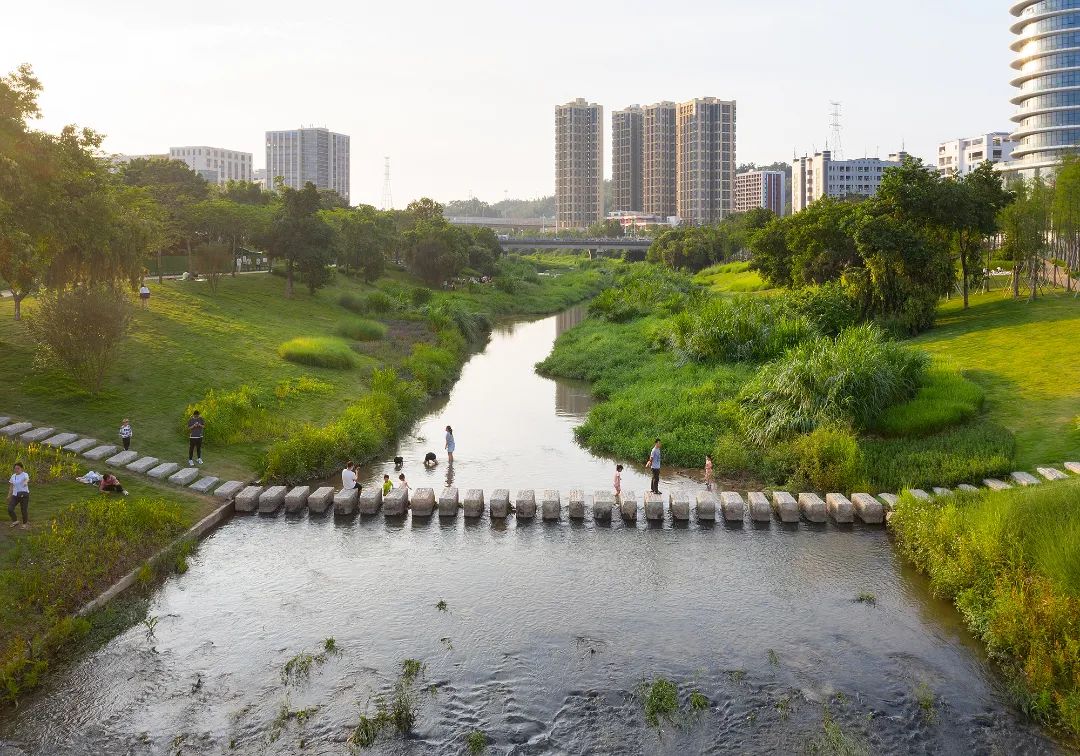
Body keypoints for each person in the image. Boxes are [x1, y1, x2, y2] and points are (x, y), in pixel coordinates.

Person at [7, 462, 29, 530]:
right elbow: (11, 486)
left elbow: (27, 479)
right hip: (15, 495)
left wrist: (25, 482)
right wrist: (9, 495)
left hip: (24, 494)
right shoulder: (13, 476)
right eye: (15, 468)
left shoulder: (24, 474)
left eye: (18, 468)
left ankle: (24, 524)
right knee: (10, 509)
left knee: (23, 510)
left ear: (21, 468)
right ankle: (15, 521)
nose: (16, 469)